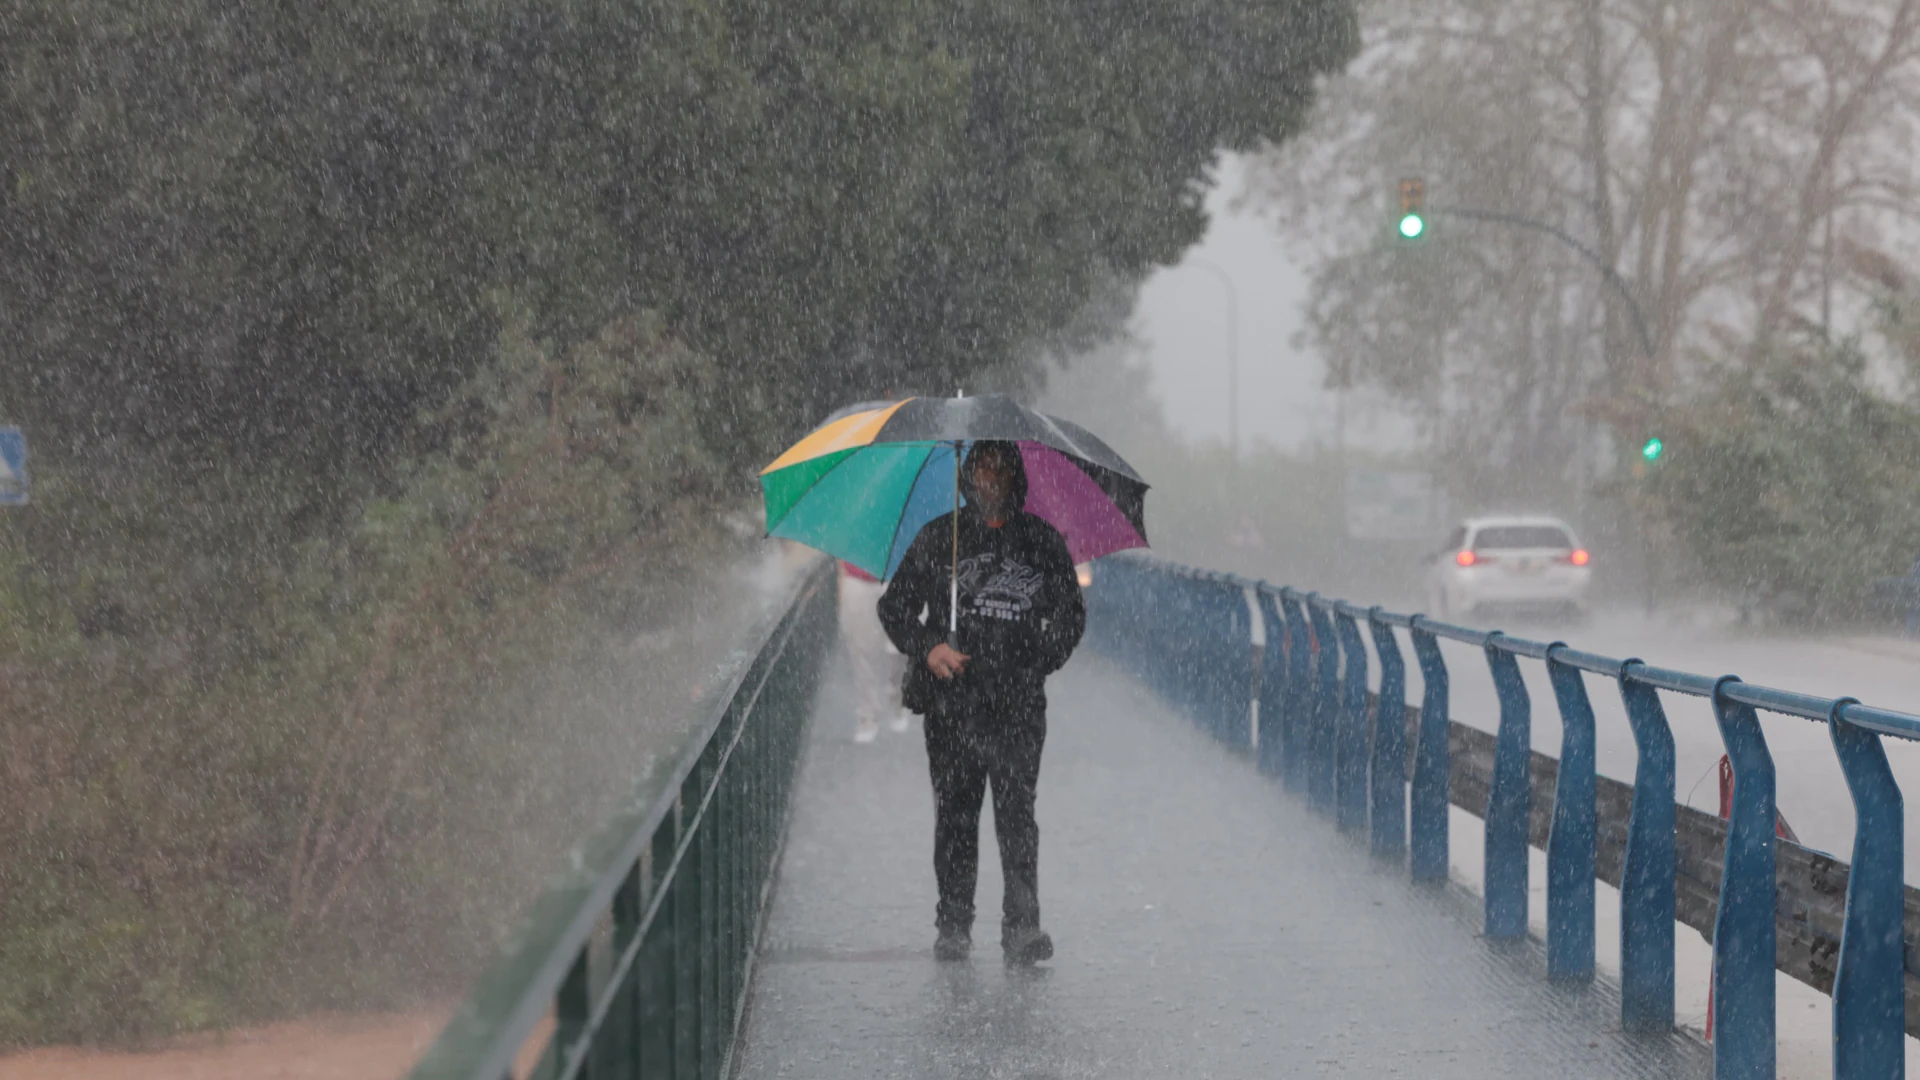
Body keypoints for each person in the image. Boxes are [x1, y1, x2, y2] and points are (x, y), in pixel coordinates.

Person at [878, 440, 1085, 965]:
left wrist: (1038, 657)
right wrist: (929, 649)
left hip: (1018, 706)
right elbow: (895, 607)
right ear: (967, 479)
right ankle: (953, 925)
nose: (989, 481)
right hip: (954, 706)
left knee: (1017, 815)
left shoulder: (1041, 541)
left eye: (999, 471)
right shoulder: (940, 538)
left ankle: (1022, 928)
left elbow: (1070, 616)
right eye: (980, 471)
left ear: (1015, 479)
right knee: (955, 815)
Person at [838, 559, 909, 742]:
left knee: (899, 647)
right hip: (858, 578)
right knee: (861, 649)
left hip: (898, 576)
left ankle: (897, 695)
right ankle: (867, 715)